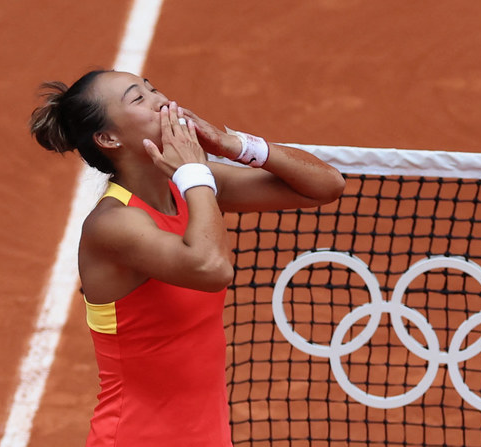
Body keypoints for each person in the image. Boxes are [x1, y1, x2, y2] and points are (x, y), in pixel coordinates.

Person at [29, 69, 345, 447]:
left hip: (208, 436)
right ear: (108, 138)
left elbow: (326, 186)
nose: (160, 100)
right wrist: (196, 176)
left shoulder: (192, 186)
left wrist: (234, 146)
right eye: (138, 98)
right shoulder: (113, 224)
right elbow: (212, 268)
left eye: (152, 88)